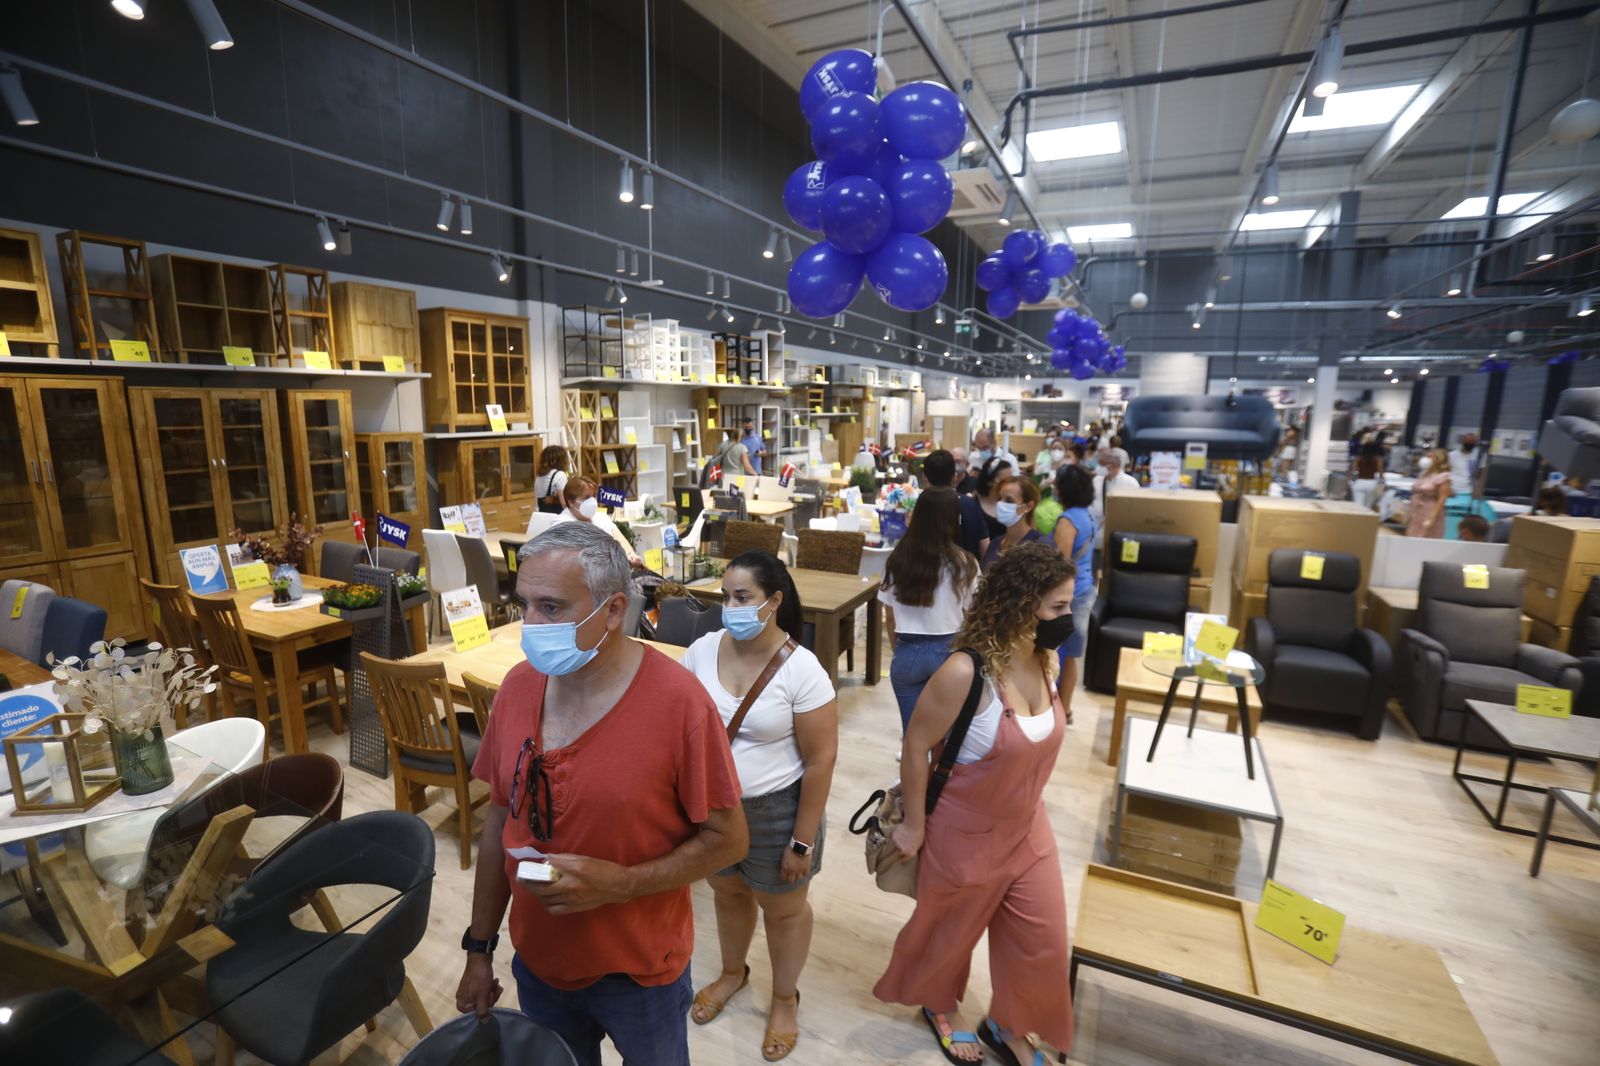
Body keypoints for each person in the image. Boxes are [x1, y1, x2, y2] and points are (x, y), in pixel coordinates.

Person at [456, 522, 748, 1066]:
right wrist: (480, 948)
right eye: (523, 605)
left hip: (641, 974)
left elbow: (729, 840)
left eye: (550, 607)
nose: (530, 625)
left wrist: (625, 883)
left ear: (613, 610)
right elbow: (501, 819)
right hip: (539, 963)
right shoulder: (519, 688)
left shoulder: (680, 706)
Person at [875, 542, 1077, 1065]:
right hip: (965, 831)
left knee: (1046, 941)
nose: (1067, 617)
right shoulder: (965, 673)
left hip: (1029, 828)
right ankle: (940, 1006)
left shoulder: (1043, 659)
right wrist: (915, 825)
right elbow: (916, 745)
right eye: (1058, 607)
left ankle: (1011, 1021)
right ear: (1021, 602)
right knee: (948, 936)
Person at [679, 551, 837, 1062]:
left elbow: (820, 762)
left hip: (778, 810)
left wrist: (802, 841)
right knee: (727, 895)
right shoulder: (702, 650)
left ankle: (785, 999)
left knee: (784, 910)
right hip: (716, 808)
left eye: (742, 597)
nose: (730, 607)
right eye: (726, 596)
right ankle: (732, 972)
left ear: (774, 601)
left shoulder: (803, 670)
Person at [880, 487, 979, 731]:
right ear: (953, 520)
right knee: (945, 733)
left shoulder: (897, 559)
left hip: (907, 651)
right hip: (949, 653)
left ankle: (911, 767)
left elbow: (889, 617)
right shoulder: (966, 563)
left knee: (912, 734)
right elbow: (972, 616)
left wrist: (898, 650)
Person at [1051, 464, 1097, 728]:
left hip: (1069, 597)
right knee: (1071, 657)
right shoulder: (1087, 515)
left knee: (1059, 655)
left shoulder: (1067, 520)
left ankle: (1057, 710)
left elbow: (1061, 564)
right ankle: (1065, 711)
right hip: (1085, 591)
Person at [553, 476, 641, 565]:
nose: (592, 501)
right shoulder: (561, 525)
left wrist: (631, 555)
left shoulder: (601, 517)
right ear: (571, 502)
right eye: (586, 497)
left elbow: (620, 540)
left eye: (594, 496)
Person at [982, 477, 1049, 570]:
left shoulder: (1040, 547)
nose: (1001, 504)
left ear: (1028, 506)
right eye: (999, 498)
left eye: (1009, 500)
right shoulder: (995, 543)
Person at [958, 457, 1013, 561]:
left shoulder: (1012, 504)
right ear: (991, 482)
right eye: (1005, 481)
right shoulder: (973, 503)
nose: (1010, 485)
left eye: (1012, 479)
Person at [1089, 447, 1137, 532]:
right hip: (1097, 528)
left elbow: (1135, 509)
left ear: (1112, 465)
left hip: (1121, 529)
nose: (1099, 468)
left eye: (1102, 464)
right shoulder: (1096, 481)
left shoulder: (1130, 483)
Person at [1406, 448, 1451, 538]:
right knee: (1412, 535)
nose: (1426, 459)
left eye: (1430, 457)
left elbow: (1442, 498)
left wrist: (1431, 517)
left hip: (1429, 509)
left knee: (1425, 535)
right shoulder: (1424, 474)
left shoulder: (1444, 476)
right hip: (1416, 510)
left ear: (1439, 459)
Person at [1351, 430, 1388, 509]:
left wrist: (1349, 481)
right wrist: (1383, 483)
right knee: (1368, 507)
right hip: (1372, 483)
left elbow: (1353, 471)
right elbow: (1381, 473)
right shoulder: (1378, 459)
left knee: (1358, 506)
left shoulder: (1358, 459)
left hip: (1359, 482)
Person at [535, 445, 571, 515]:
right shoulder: (559, 475)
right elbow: (564, 504)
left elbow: (537, 503)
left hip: (542, 516)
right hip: (557, 517)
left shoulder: (539, 477)